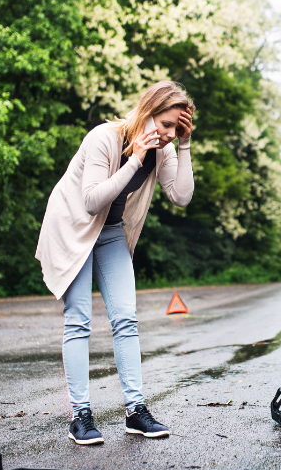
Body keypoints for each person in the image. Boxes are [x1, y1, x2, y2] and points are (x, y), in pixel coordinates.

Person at [35, 81, 195, 444]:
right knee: (78, 320)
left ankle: (136, 412)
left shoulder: (165, 149)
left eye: (177, 128)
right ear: (147, 112)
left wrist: (184, 144)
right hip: (73, 228)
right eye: (166, 125)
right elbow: (92, 201)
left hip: (110, 232)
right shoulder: (104, 138)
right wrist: (136, 158)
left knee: (126, 318)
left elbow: (181, 196)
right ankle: (80, 417)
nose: (169, 134)